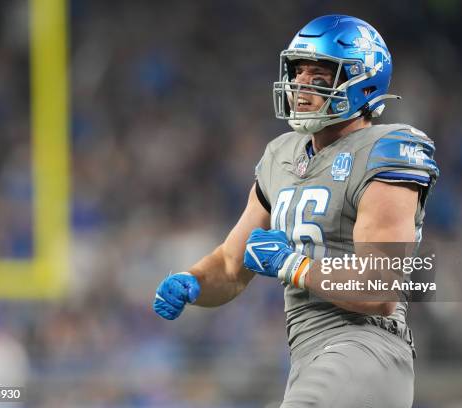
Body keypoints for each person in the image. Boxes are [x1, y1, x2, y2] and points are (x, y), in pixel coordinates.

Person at [154, 14, 439, 407]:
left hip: (365, 347)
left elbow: (380, 286)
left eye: (319, 77)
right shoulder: (282, 155)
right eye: (297, 73)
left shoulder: (386, 149)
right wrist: (193, 282)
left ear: (361, 81)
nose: (300, 87)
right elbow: (232, 267)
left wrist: (293, 265)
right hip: (308, 357)